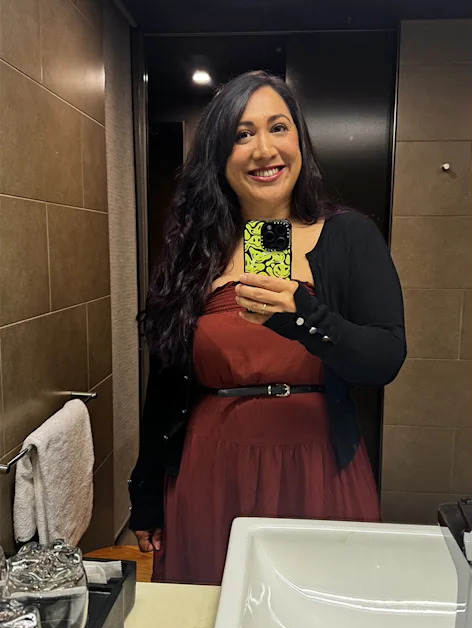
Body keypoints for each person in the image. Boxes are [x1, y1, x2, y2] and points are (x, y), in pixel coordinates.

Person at [129, 71, 405, 585]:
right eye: (241, 134)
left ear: (299, 139)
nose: (263, 149)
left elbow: (384, 357)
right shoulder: (195, 251)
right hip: (210, 465)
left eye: (278, 127)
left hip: (317, 464)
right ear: (220, 155)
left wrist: (303, 317)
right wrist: (145, 492)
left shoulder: (348, 235)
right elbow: (165, 382)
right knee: (212, 607)